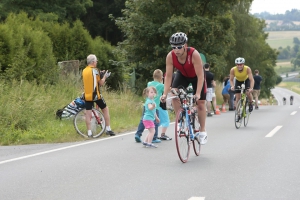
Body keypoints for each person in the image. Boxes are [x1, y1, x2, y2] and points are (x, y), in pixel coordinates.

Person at [161, 32, 208, 145]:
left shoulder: (194, 54)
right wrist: (164, 93)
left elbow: (200, 76)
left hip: (197, 77)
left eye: (179, 47)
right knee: (174, 94)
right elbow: (168, 77)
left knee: (200, 103)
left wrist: (197, 93)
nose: (176, 50)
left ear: (185, 46)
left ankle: (202, 130)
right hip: (182, 75)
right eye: (173, 47)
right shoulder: (170, 56)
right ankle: (180, 118)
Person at [82, 54, 115, 137]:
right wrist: (104, 77)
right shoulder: (95, 70)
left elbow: (91, 79)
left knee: (88, 113)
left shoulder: (84, 70)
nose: (96, 62)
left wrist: (99, 74)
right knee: (105, 109)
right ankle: (108, 128)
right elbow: (101, 83)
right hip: (96, 95)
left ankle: (89, 132)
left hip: (87, 95)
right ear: (93, 62)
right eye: (96, 61)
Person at [134, 69, 171, 143]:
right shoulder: (161, 85)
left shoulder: (149, 83)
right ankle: (154, 137)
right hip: (155, 107)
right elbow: (168, 89)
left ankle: (138, 134)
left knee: (143, 119)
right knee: (155, 122)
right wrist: (164, 81)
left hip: (146, 105)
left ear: (153, 76)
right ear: (161, 77)